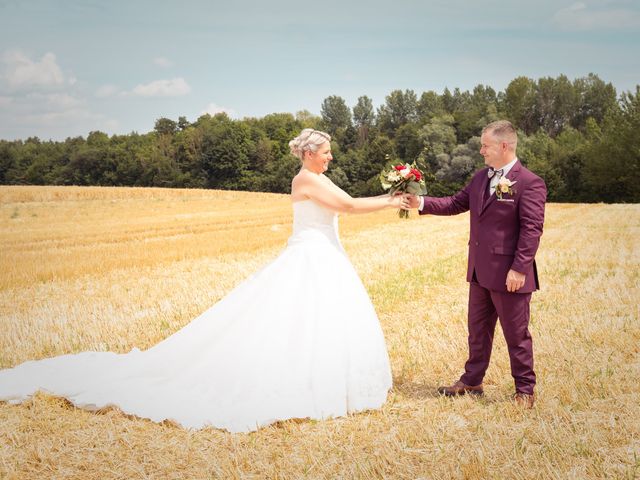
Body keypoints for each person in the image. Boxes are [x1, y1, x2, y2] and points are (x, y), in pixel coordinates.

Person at [0, 128, 410, 433]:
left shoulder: (318, 178)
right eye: (325, 152)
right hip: (309, 256)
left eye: (330, 153)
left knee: (323, 322)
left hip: (326, 255)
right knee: (292, 320)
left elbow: (347, 204)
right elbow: (350, 206)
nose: (330, 157)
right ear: (307, 153)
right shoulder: (305, 179)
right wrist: (393, 199)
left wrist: (395, 197)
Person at [408, 120, 546, 407]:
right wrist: (419, 203)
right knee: (478, 331)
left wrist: (519, 268)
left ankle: (525, 390)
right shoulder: (481, 177)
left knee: (516, 335)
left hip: (511, 275)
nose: (481, 151)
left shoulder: (530, 183)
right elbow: (455, 203)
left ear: (504, 146)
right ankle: (472, 381)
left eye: (486, 145)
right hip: (479, 271)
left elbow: (532, 229)